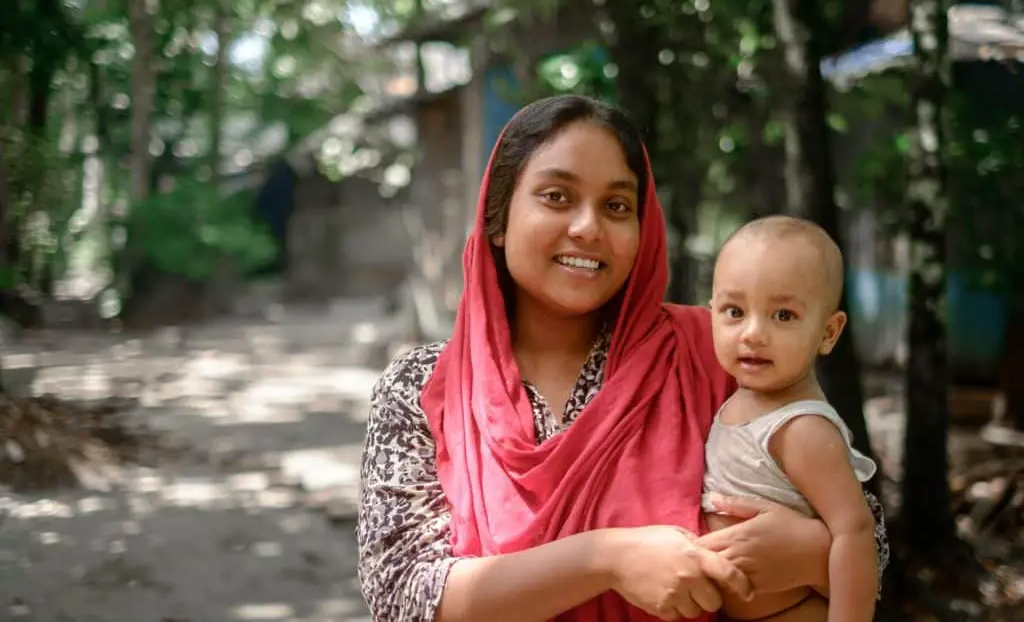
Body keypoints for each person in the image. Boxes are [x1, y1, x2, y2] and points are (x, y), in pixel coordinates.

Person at [357, 95, 889, 622]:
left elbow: (867, 534)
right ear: (498, 219)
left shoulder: (719, 354)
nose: (588, 228)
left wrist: (808, 551)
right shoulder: (424, 386)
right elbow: (401, 592)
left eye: (616, 206)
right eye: (557, 197)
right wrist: (608, 560)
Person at [700, 216, 879, 622]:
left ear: (828, 332)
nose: (753, 333)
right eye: (734, 311)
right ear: (709, 313)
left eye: (783, 316)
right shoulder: (740, 399)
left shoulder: (801, 428)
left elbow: (855, 533)